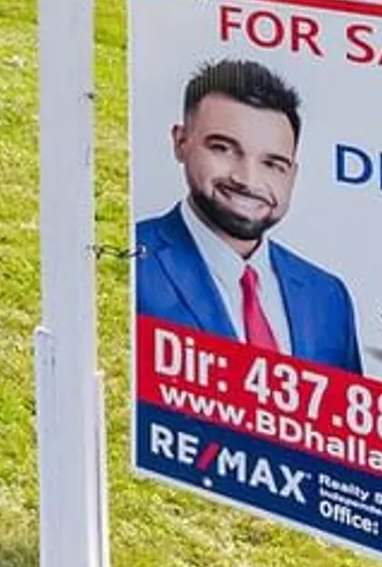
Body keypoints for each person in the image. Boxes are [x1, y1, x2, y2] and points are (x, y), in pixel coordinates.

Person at [134, 55, 362, 369]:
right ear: (181, 141)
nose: (247, 180)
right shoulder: (134, 261)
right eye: (223, 148)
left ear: (291, 175)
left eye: (272, 164)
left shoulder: (327, 295)